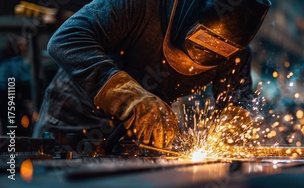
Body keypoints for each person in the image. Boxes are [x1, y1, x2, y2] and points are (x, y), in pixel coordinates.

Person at [32, 0, 270, 153]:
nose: (208, 54)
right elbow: (65, 40)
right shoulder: (140, 5)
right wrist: (128, 96)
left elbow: (237, 98)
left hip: (136, 139)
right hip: (74, 122)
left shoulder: (235, 52)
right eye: (204, 40)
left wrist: (234, 121)